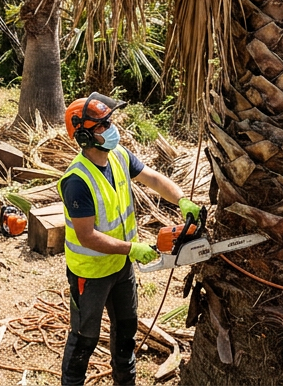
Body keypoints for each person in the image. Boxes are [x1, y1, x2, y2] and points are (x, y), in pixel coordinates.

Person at [59, 92, 202, 386]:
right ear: (84, 135)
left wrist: (182, 200)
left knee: (126, 331)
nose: (111, 128)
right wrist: (133, 248)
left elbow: (154, 179)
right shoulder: (77, 181)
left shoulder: (119, 156)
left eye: (109, 121)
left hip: (121, 267)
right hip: (91, 274)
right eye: (102, 125)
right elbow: (87, 236)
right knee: (85, 338)